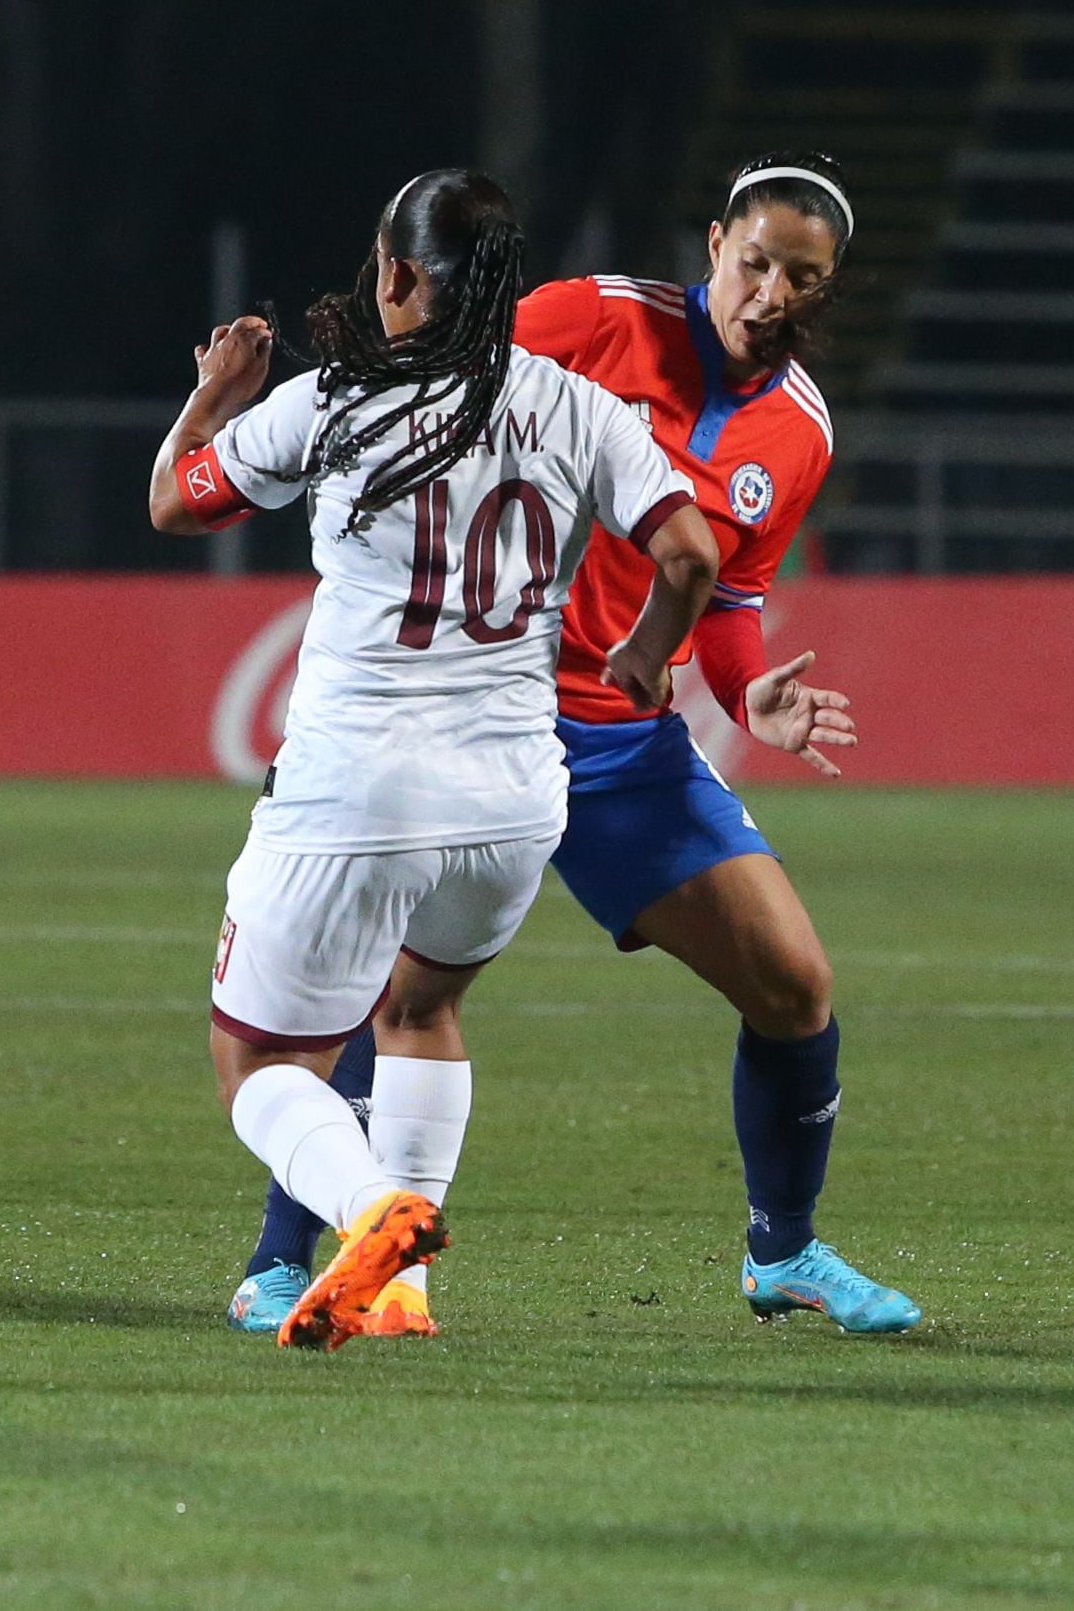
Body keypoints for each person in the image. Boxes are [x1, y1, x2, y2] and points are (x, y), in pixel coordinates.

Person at [225, 153, 923, 1339]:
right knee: (372, 994)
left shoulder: (799, 435)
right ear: (714, 246)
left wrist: (751, 698)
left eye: (798, 278)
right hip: (462, 711)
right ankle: (289, 1263)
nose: (767, 292)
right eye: (752, 262)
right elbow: (431, 360)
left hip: (612, 741)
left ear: (828, 288)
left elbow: (733, 595)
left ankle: (785, 1254)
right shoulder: (593, 321)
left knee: (794, 985)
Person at [152, 170, 720, 1349]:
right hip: (513, 799)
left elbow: (175, 502)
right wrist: (647, 659)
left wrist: (209, 401)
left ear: (399, 274)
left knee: (254, 1062)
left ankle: (374, 1214)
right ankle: (402, 1290)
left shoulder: (333, 403)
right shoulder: (580, 406)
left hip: (355, 786)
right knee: (420, 1009)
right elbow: (691, 555)